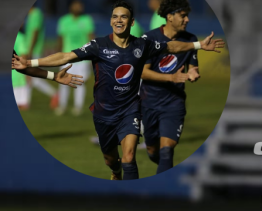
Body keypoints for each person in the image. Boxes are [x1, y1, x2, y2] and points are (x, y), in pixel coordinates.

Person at [12, 0, 224, 181]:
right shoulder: (98, 45)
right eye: (115, 16)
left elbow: (172, 46)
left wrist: (197, 46)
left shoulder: (143, 45)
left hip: (130, 110)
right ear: (111, 20)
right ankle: (115, 171)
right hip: (104, 113)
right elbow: (65, 56)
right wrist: (30, 61)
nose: (118, 20)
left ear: (131, 22)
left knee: (129, 156)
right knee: (111, 160)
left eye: (123, 17)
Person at [139, 0, 201, 174]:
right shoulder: (149, 38)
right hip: (149, 102)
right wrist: (171, 77)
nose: (187, 19)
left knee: (167, 151)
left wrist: (193, 73)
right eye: (183, 16)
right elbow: (143, 73)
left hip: (174, 103)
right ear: (170, 16)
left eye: (187, 15)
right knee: (153, 152)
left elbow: (193, 66)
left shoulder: (191, 39)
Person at [55, 0, 95, 116]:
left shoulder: (87, 20)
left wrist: (92, 56)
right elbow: (60, 39)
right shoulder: (64, 21)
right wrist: (58, 57)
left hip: (82, 57)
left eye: (80, 5)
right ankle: (62, 106)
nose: (79, 7)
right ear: (71, 6)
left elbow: (91, 38)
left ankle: (78, 107)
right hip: (66, 56)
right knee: (63, 82)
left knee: (79, 83)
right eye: (76, 5)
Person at [25, 5, 59, 107]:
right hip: (30, 50)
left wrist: (30, 50)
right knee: (27, 77)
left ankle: (54, 93)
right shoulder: (31, 14)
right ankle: (24, 102)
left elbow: (35, 32)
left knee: (33, 79)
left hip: (34, 50)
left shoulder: (36, 14)